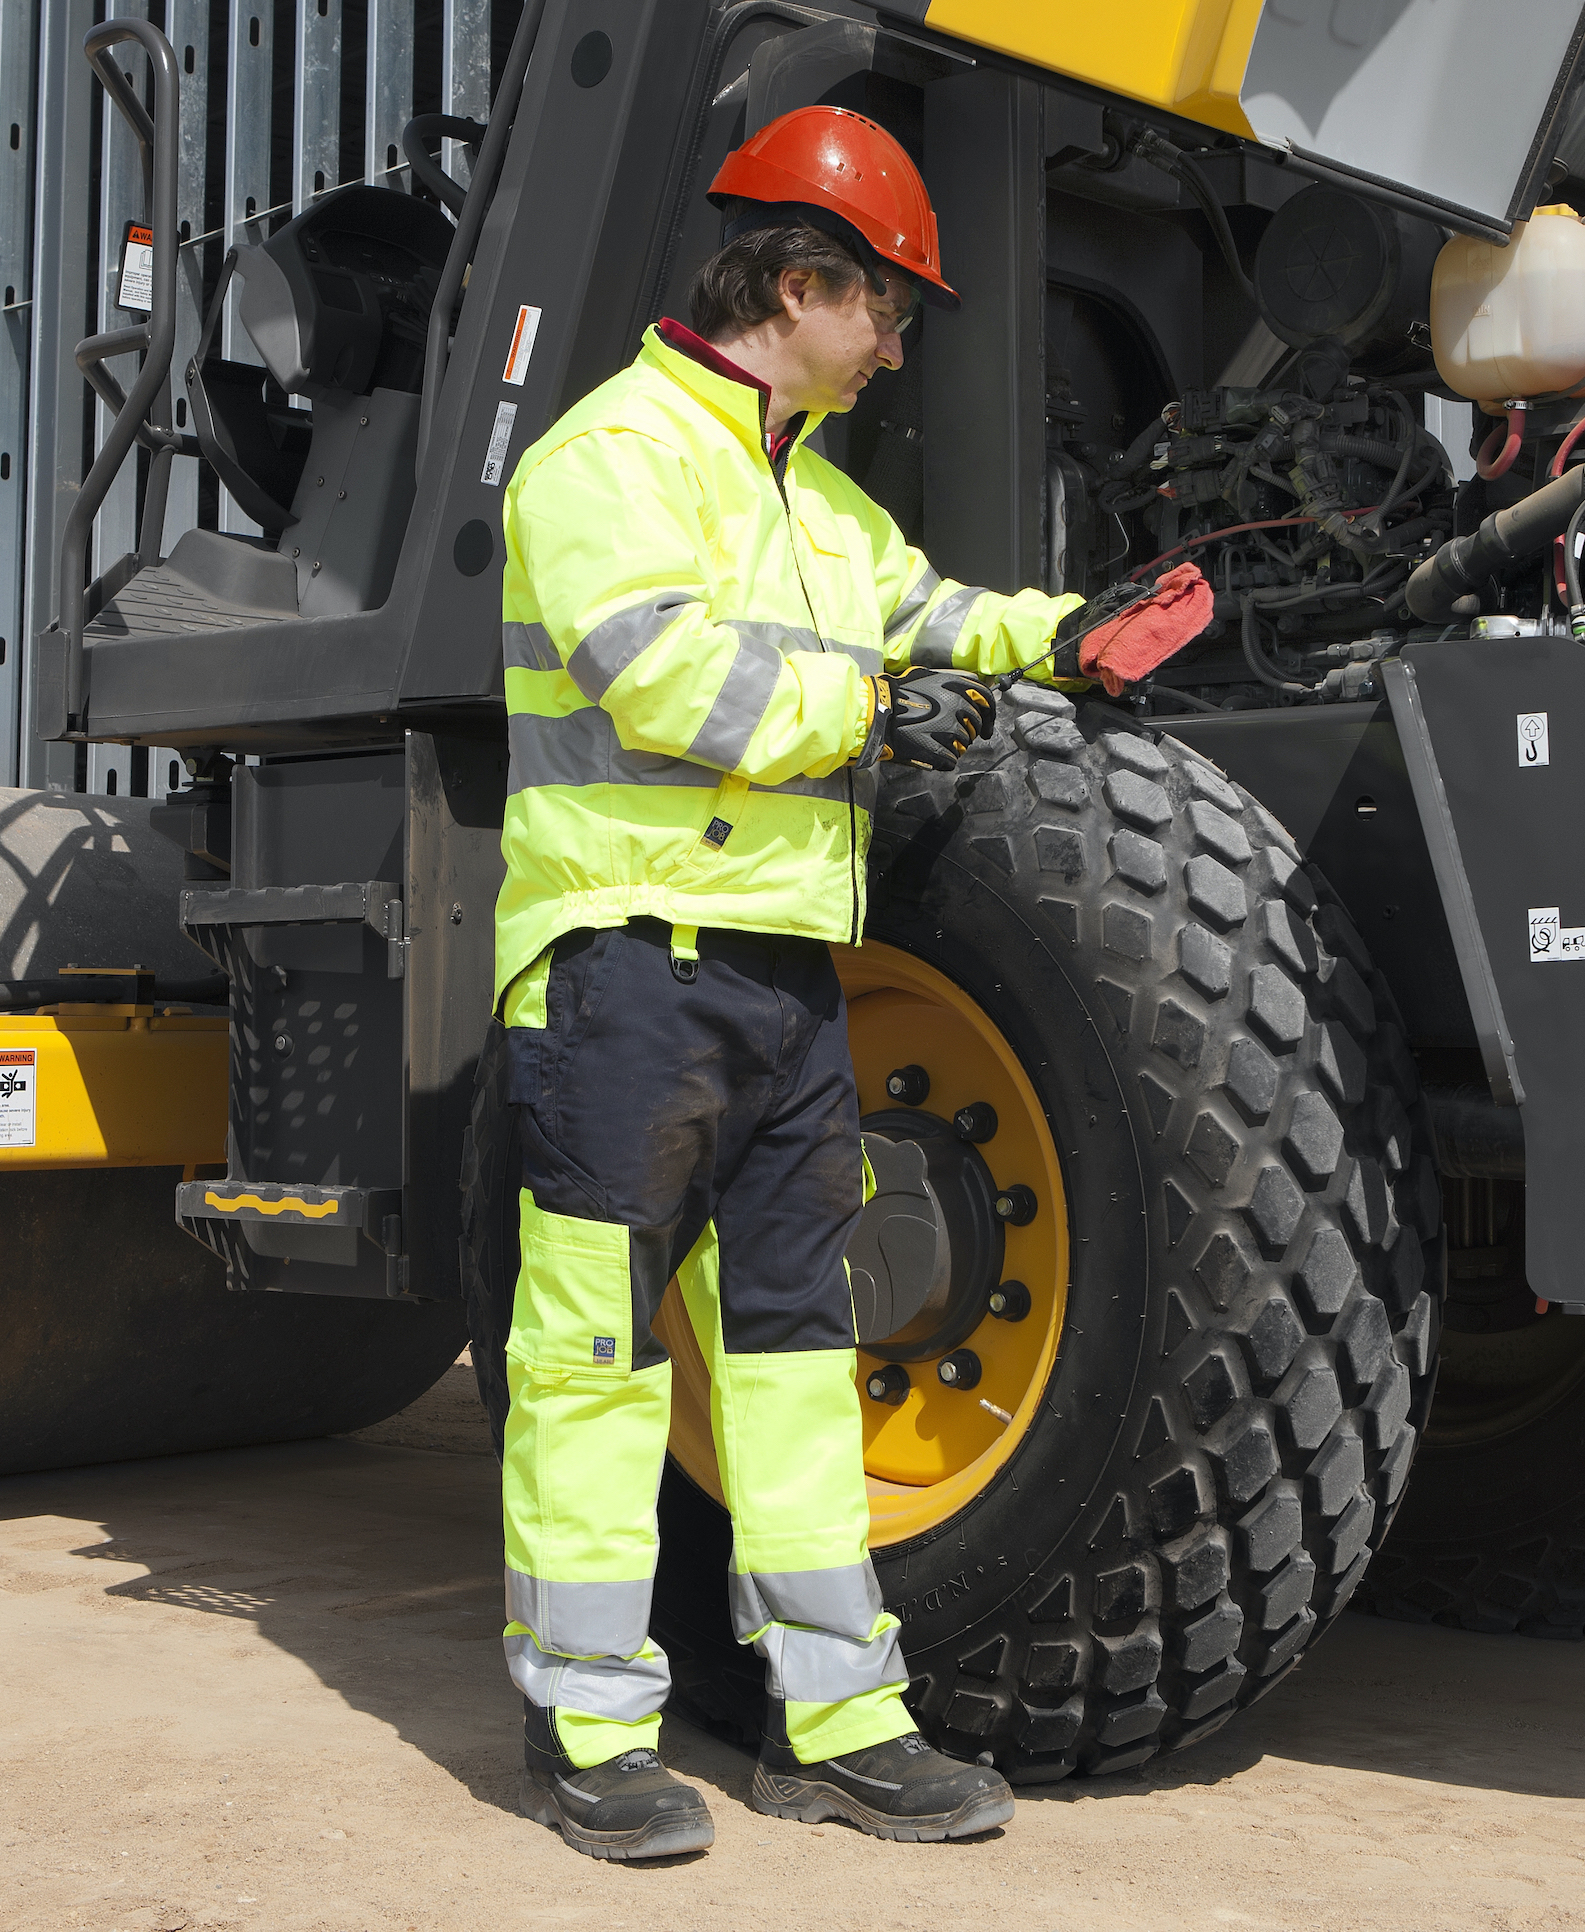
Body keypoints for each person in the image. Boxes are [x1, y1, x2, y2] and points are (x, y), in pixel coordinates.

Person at [492, 104, 1084, 1861]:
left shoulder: (818, 505)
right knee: (595, 1356)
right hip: (620, 966)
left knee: (796, 1349)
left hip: (780, 977)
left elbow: (932, 621)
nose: (899, 342)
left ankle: (838, 1719)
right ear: (803, 284)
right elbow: (658, 673)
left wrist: (1069, 637)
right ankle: (590, 1730)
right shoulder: (605, 459)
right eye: (888, 307)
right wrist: (864, 711)